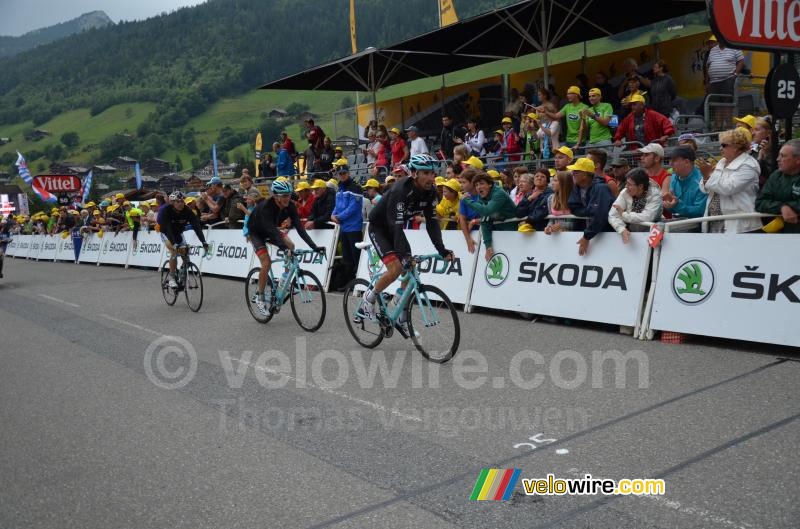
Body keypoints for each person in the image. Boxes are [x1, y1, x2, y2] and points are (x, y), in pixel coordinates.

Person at [360, 154, 453, 325]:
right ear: (414, 173)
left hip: (395, 227)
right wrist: (404, 256)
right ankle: (369, 298)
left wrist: (442, 249)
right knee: (396, 268)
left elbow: (433, 223)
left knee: (409, 270)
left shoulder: (431, 192)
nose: (431, 177)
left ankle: (399, 307)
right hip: (380, 227)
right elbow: (396, 227)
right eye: (426, 172)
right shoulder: (400, 190)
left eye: (432, 173)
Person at [246, 180, 324, 315]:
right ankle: (260, 296)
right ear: (275, 196)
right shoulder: (266, 208)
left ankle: (284, 278)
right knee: (266, 263)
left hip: (271, 230)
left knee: (291, 245)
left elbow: (300, 229)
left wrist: (314, 246)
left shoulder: (290, 206)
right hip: (256, 232)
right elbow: (272, 231)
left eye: (288, 195)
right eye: (283, 196)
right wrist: (284, 249)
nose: (287, 198)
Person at [699, 128, 761, 233]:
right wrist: (706, 177)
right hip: (714, 222)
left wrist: (708, 175)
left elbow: (729, 188)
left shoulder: (749, 165)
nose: (720, 148)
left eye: (724, 145)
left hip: (740, 226)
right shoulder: (722, 162)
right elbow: (705, 189)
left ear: (736, 147)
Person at [461, 171, 518, 261]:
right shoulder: (482, 197)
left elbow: (487, 211)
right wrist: (488, 246)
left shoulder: (498, 193)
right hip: (500, 233)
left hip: (515, 232)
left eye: (481, 184)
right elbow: (485, 220)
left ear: (490, 184)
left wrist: (467, 200)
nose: (478, 187)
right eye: (476, 185)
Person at [158, 191, 209, 289]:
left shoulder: (187, 211)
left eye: (182, 201)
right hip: (166, 233)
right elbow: (168, 229)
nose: (181, 204)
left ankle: (182, 273)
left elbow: (196, 227)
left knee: (185, 254)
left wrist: (203, 242)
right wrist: (174, 244)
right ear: (172, 202)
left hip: (178, 233)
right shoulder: (166, 211)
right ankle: (172, 277)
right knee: (174, 251)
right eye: (178, 202)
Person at [567, 157, 614, 256]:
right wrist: (589, 211)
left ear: (584, 175)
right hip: (588, 233)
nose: (572, 173)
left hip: (606, 235)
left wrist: (586, 236)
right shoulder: (576, 187)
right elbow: (573, 207)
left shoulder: (601, 188)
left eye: (576, 172)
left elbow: (600, 215)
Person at [330, 159, 364, 285]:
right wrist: (333, 215)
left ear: (348, 173)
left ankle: (359, 282)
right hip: (344, 228)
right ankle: (350, 283)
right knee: (346, 257)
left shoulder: (355, 187)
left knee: (356, 257)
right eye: (340, 174)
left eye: (344, 173)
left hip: (354, 228)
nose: (343, 175)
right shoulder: (340, 188)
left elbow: (353, 208)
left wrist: (338, 217)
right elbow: (337, 205)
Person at [608, 167, 663, 243]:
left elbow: (647, 217)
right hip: (632, 233)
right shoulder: (625, 192)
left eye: (629, 184)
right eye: (626, 183)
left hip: (653, 234)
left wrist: (624, 215)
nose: (626, 186)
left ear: (640, 186)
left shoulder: (655, 194)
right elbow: (612, 215)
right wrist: (622, 229)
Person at [756, 139, 800, 232]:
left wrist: (788, 207)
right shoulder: (776, 175)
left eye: (783, 156)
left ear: (798, 160)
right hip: (780, 236)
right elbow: (760, 203)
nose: (778, 159)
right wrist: (782, 207)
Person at [704, 36, 745, 129]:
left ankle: (729, 127)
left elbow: (741, 62)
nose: (720, 40)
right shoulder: (713, 50)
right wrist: (707, 82)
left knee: (727, 103)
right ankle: (718, 127)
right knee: (716, 105)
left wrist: (735, 74)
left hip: (728, 79)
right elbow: (708, 66)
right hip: (714, 81)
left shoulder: (734, 46)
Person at [663, 146, 708, 221]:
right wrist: (668, 205)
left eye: (674, 160)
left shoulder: (702, 179)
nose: (670, 164)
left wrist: (677, 205)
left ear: (687, 162)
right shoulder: (674, 177)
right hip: (679, 224)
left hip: (698, 227)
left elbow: (700, 212)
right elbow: (674, 209)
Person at [751, 116, 775, 188]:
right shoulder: (754, 148)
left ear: (769, 133)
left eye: (757, 130)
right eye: (753, 130)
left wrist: (766, 155)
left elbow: (770, 176)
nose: (753, 133)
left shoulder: (778, 151)